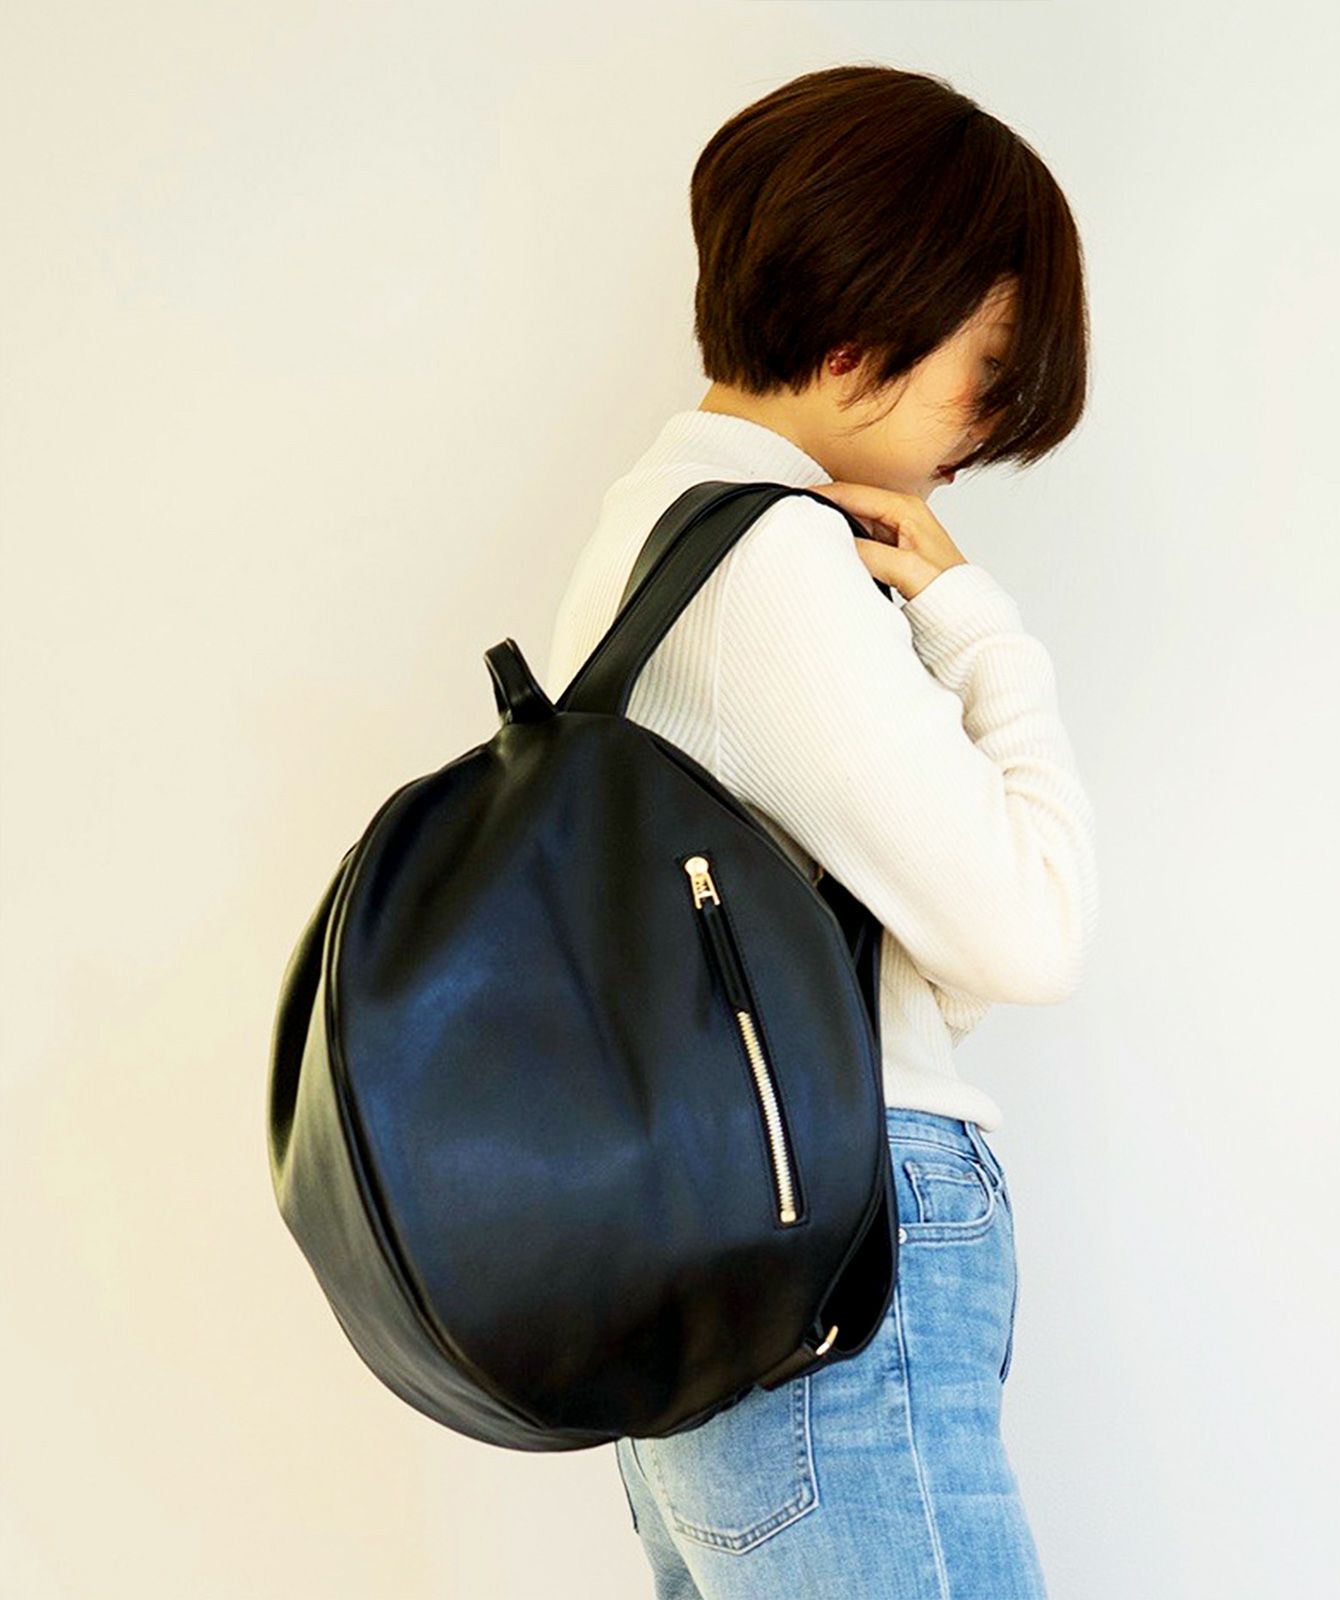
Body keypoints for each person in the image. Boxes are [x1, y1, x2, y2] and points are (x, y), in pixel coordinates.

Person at [546, 61, 1099, 1600]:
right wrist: (983, 630)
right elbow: (1028, 933)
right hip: (841, 1254)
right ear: (863, 332)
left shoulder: (645, 536)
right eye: (986, 372)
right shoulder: (775, 571)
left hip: (715, 1252)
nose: (984, 428)